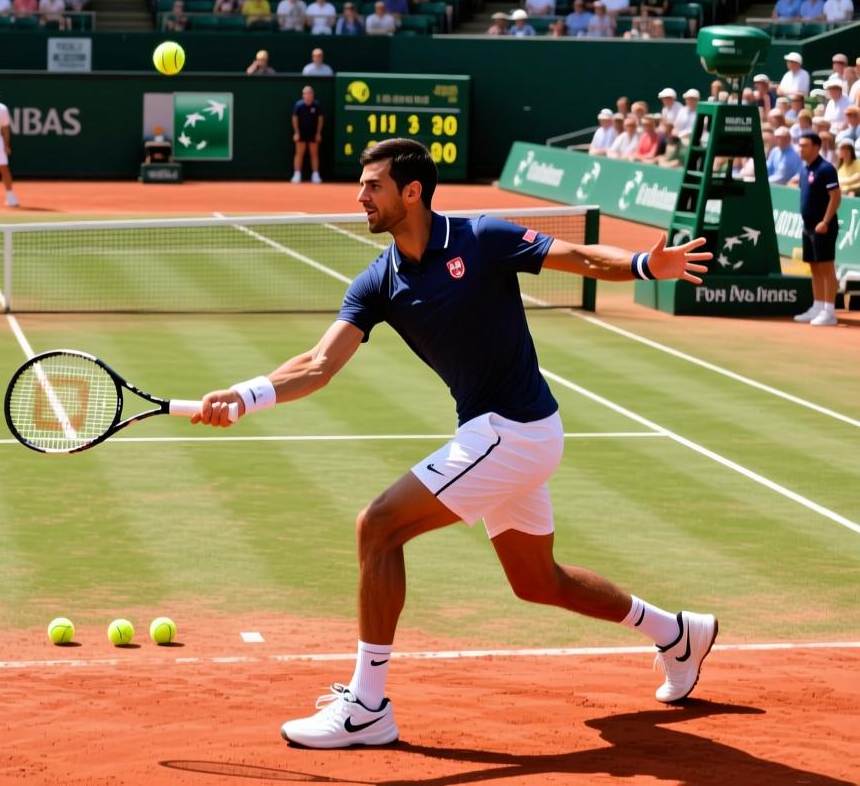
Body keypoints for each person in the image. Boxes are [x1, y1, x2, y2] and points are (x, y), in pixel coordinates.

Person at [189, 137, 717, 749]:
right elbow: (317, 364)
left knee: (378, 526)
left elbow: (578, 256)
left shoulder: (480, 238)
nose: (360, 196)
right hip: (497, 434)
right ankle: (678, 633)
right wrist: (245, 393)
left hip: (513, 430)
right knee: (537, 581)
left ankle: (367, 705)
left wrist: (645, 266)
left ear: (411, 192)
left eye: (373, 186)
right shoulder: (378, 281)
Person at [793, 131, 840, 326]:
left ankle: (829, 311)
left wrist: (826, 221)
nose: (800, 149)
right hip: (808, 226)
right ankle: (818, 306)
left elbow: (836, 196)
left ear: (816, 147)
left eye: (804, 145)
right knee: (814, 266)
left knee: (826, 266)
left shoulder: (826, 169)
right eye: (800, 145)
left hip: (823, 226)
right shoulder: (804, 170)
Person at [290, 85, 324, 184]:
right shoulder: (298, 105)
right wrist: (296, 132)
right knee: (299, 154)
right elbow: (294, 119)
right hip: (301, 133)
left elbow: (320, 119)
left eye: (310, 93)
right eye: (306, 93)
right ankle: (297, 174)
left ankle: (315, 175)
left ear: (313, 95)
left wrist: (318, 133)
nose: (308, 95)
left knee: (314, 154)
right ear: (303, 95)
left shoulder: (317, 105)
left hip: (313, 133)